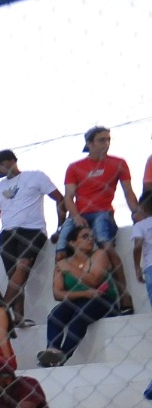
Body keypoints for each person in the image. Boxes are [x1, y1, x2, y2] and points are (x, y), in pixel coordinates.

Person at [0, 150, 67, 327]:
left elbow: (59, 199)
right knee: (14, 275)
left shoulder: (35, 177)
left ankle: (0, 309)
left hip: (32, 230)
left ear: (12, 162)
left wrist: (60, 227)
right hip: (7, 234)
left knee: (23, 266)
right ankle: (18, 318)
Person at [60, 125, 137, 311]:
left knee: (106, 246)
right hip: (79, 214)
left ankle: (124, 296)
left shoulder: (118, 163)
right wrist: (76, 217)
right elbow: (68, 197)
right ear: (90, 143)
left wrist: (136, 213)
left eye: (108, 139)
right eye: (102, 140)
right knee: (61, 251)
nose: (107, 143)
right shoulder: (75, 167)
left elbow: (128, 192)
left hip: (103, 212)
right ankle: (69, 297)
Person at [39, 227, 117, 367]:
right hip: (80, 299)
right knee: (54, 316)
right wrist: (85, 293)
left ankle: (61, 356)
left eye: (92, 236)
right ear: (72, 242)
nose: (91, 239)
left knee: (80, 315)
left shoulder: (99, 254)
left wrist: (70, 268)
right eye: (85, 236)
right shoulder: (62, 263)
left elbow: (94, 281)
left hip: (104, 300)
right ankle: (52, 350)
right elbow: (58, 294)